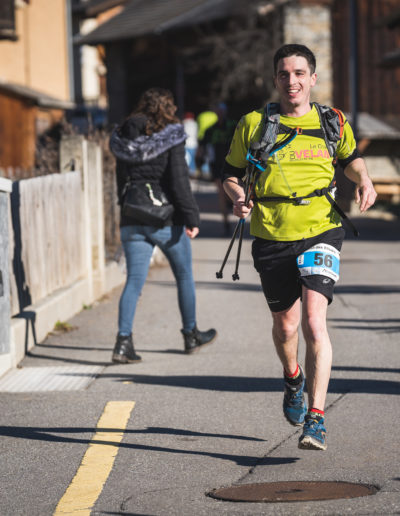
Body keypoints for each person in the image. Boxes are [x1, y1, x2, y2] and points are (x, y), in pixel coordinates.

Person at [222, 44, 377, 450]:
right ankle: (292, 377)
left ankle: (316, 418)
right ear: (276, 79)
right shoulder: (254, 123)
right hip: (271, 235)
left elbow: (350, 157)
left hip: (322, 229)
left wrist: (364, 179)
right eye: (284, 74)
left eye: (299, 73)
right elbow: (230, 174)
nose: (291, 81)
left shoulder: (331, 120)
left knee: (313, 321)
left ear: (312, 78)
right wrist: (238, 197)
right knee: (286, 326)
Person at [110, 87, 217, 364]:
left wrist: (126, 211)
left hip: (132, 217)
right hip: (165, 219)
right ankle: (190, 334)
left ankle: (123, 343)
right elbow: (179, 182)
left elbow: (121, 181)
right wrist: (191, 217)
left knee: (134, 281)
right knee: (183, 275)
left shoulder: (123, 136)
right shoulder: (171, 136)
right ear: (168, 108)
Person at [199, 103, 236, 235]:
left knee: (231, 192)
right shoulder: (210, 129)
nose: (220, 114)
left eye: (222, 111)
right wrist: (200, 161)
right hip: (217, 165)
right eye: (218, 111)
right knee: (221, 192)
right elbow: (202, 146)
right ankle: (226, 223)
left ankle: (230, 205)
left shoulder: (233, 126)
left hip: (233, 164)